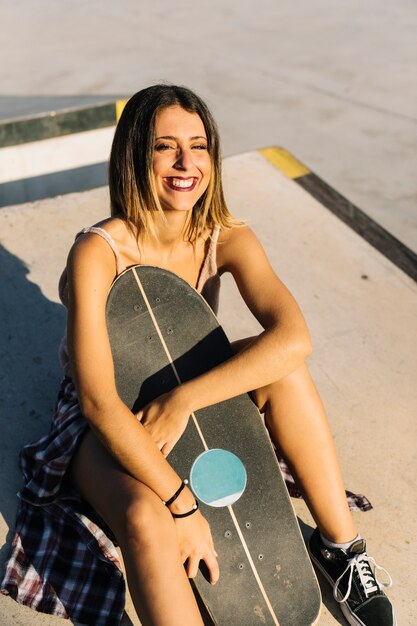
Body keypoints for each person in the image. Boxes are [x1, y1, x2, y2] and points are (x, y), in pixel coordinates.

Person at [1, 85, 395, 626]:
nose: (187, 163)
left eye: (200, 145)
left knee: (286, 369)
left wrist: (184, 399)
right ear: (136, 155)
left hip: (187, 388)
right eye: (166, 146)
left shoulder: (224, 235)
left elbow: (293, 337)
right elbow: (96, 401)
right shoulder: (98, 251)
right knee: (147, 517)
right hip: (107, 419)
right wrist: (182, 506)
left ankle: (340, 549)